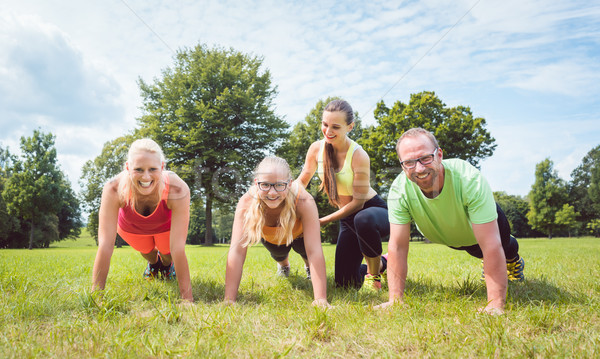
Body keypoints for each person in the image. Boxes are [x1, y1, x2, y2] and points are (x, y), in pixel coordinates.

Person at [379, 128, 525, 314]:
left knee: (504, 247)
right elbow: (397, 247)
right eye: (409, 162)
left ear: (439, 154)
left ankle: (513, 261)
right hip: (449, 236)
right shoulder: (399, 190)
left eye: (425, 158)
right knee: (476, 251)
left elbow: (490, 244)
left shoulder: (469, 179)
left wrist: (495, 305)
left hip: (481, 229)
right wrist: (395, 300)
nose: (420, 168)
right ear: (402, 166)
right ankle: (493, 261)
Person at [297, 99, 389, 291]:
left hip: (371, 211)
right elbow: (302, 182)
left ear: (350, 127)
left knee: (362, 219)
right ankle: (383, 262)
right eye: (325, 124)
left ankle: (374, 276)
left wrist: (321, 220)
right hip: (347, 218)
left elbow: (358, 203)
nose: (328, 131)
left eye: (335, 127)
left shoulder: (358, 155)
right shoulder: (316, 149)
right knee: (344, 284)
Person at [91, 138, 193, 302]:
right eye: (138, 169)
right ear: (127, 168)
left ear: (162, 167)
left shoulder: (178, 188)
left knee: (168, 253)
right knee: (148, 253)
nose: (146, 177)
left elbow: (178, 248)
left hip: (165, 227)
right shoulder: (113, 188)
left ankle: (167, 267)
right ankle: (153, 265)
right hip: (131, 228)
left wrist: (187, 300)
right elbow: (106, 245)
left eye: (152, 169)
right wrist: (96, 298)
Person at [224, 156, 329, 307]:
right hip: (272, 239)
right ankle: (284, 266)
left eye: (279, 185)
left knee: (304, 250)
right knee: (278, 253)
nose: (272, 193)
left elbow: (314, 250)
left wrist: (320, 299)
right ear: (256, 184)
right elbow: (237, 252)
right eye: (265, 185)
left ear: (289, 184)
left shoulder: (304, 201)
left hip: (300, 235)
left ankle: (308, 268)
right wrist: (229, 300)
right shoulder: (246, 202)